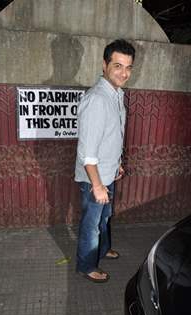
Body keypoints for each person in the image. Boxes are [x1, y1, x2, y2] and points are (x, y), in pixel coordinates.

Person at [75, 39, 135, 283]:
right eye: (118, 65)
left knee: (105, 217)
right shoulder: (97, 99)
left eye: (128, 67)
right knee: (91, 224)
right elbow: (87, 151)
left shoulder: (116, 95)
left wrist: (118, 162)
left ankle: (103, 249)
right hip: (95, 178)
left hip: (109, 171)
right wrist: (98, 186)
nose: (124, 73)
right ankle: (86, 265)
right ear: (104, 65)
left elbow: (111, 136)